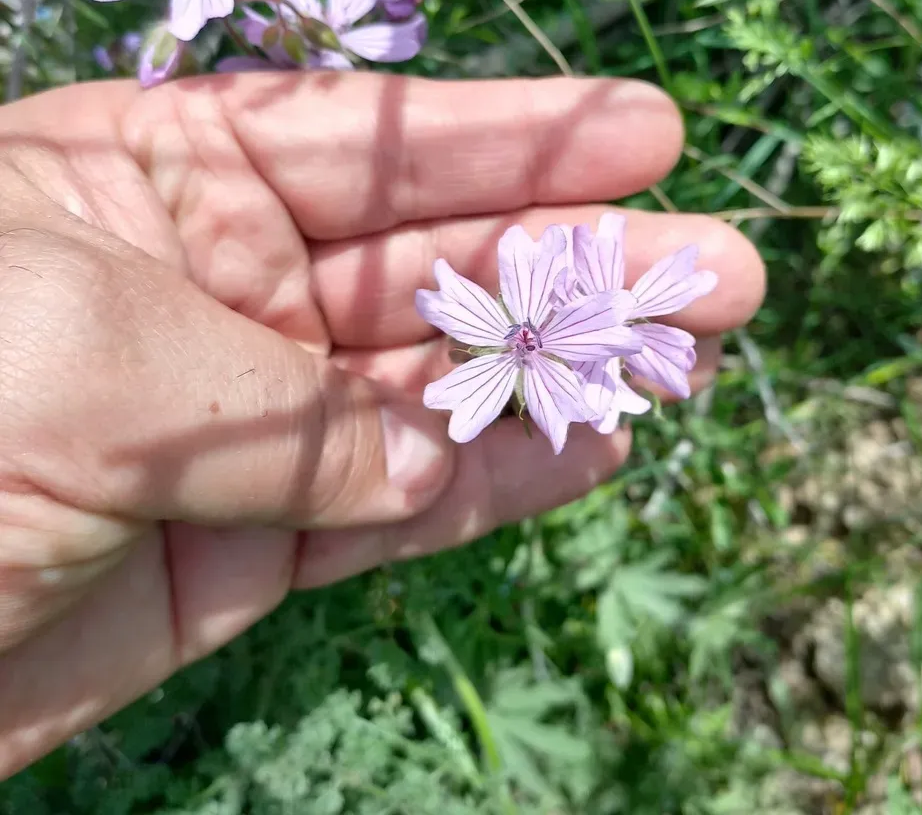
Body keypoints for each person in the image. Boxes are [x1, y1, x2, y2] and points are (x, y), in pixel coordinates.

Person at [0, 72, 765, 778]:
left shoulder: (572, 337)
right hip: (495, 354)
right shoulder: (509, 332)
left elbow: (579, 342)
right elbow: (500, 334)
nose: (533, 337)